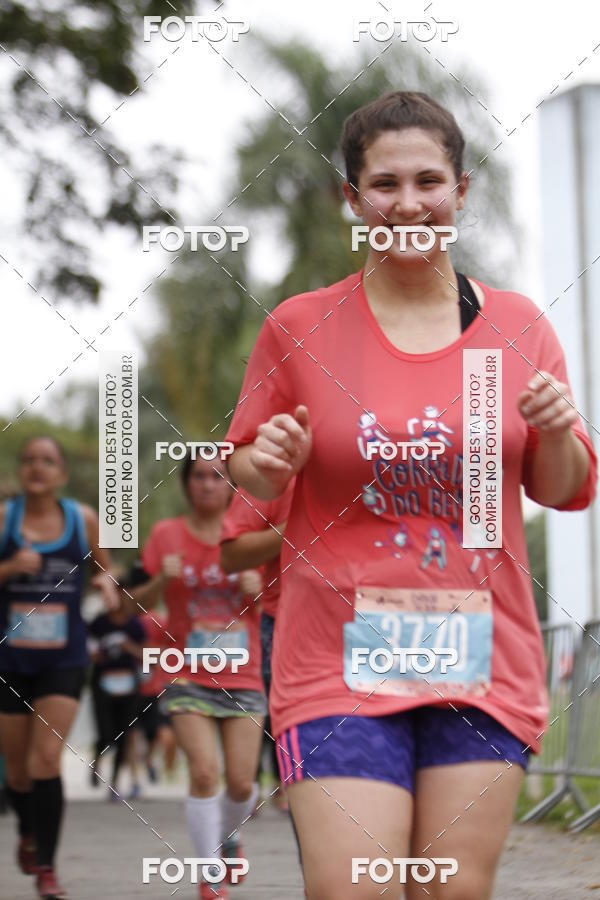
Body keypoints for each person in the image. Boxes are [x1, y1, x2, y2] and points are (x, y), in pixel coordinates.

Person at [224, 91, 598, 899]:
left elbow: (561, 490)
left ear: (461, 191)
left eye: (429, 180)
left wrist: (560, 430)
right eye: (383, 184)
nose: (408, 202)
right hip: (334, 656)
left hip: (483, 660)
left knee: (450, 889)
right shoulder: (300, 327)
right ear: (352, 200)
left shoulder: (516, 326)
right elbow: (245, 483)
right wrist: (269, 460)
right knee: (357, 885)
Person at [133, 453, 266, 900]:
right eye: (199, 477)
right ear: (186, 484)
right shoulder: (166, 535)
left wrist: (260, 593)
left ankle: (230, 838)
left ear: (231, 486)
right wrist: (158, 583)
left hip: (244, 676)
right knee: (205, 773)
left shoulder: (251, 538)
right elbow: (134, 603)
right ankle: (209, 872)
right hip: (186, 673)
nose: (208, 484)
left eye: (217, 477)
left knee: (243, 783)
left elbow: (287, 603)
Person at [0, 435, 119, 900]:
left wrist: (108, 587)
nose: (37, 467)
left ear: (61, 473)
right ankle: (29, 832)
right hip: (11, 660)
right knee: (18, 772)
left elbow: (104, 568)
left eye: (47, 460)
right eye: (29, 459)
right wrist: (12, 568)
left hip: (65, 659)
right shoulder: (5, 520)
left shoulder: (81, 519)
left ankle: (47, 868)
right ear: (20, 471)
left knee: (44, 760)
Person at [220, 480, 294, 811]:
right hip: (282, 629)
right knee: (279, 727)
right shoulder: (272, 476)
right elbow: (232, 555)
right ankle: (282, 785)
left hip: (363, 624)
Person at [88, 577, 145, 800]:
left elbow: (146, 654)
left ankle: (114, 783)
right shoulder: (99, 622)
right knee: (105, 732)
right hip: (103, 683)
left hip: (129, 685)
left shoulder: (135, 625)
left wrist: (129, 647)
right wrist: (97, 654)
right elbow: (90, 650)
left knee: (124, 733)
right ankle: (97, 760)